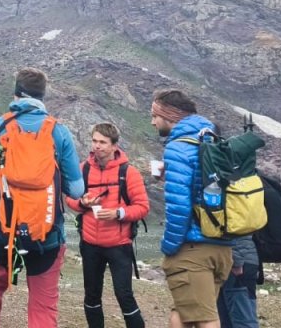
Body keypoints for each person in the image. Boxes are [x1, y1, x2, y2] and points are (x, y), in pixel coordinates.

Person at [0, 67, 84, 328]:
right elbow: (77, 191)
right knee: (43, 306)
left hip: (4, 231)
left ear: (16, 94)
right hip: (49, 235)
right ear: (43, 95)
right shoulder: (59, 132)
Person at [151, 89, 232, 328]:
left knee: (205, 319)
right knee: (186, 312)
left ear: (169, 115)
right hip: (221, 246)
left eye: (155, 115)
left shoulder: (178, 147)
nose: (152, 121)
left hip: (193, 248)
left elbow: (179, 205)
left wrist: (169, 246)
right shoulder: (215, 140)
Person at [65, 122, 150, 328]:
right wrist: (82, 203)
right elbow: (69, 198)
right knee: (91, 296)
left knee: (124, 296)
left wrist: (118, 213)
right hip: (90, 244)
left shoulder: (128, 172)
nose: (97, 146)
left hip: (119, 245)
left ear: (114, 145)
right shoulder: (83, 169)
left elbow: (143, 207)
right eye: (94, 141)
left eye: (102, 142)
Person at [217, 236, 260, 328]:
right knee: (226, 319)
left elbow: (233, 231)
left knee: (242, 319)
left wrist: (236, 261)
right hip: (245, 259)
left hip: (237, 264)